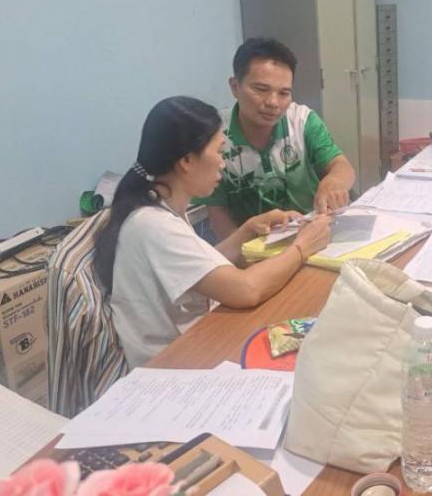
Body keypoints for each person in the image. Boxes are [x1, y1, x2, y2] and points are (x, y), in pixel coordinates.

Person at [93, 96, 332, 369]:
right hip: (175, 365)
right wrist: (302, 246)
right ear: (186, 160)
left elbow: (199, 268)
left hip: (192, 344)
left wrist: (247, 230)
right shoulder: (152, 225)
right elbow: (246, 289)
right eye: (219, 152)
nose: (223, 163)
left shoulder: (159, 205)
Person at [198, 38, 356, 240]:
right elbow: (217, 210)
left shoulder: (302, 121)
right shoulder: (214, 135)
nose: (273, 102)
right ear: (235, 87)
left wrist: (334, 181)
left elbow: (342, 166)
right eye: (261, 90)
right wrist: (242, 253)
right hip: (255, 245)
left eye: (284, 93)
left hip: (313, 234)